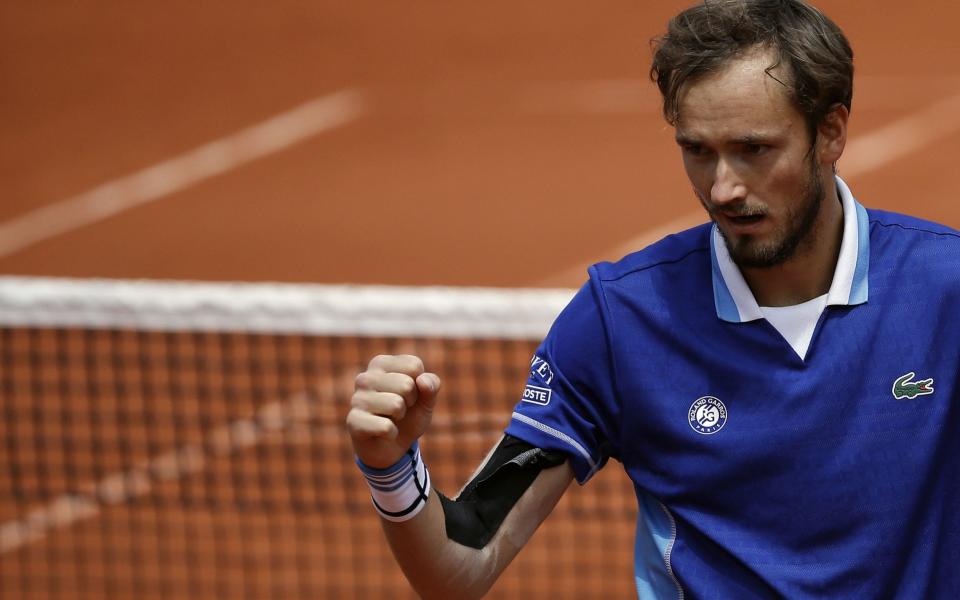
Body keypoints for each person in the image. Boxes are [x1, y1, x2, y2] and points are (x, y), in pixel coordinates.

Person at [346, 0, 960, 597]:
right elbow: (461, 569)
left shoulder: (945, 290)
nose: (723, 188)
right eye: (698, 151)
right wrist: (392, 469)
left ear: (830, 131)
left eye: (754, 149)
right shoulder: (623, 321)